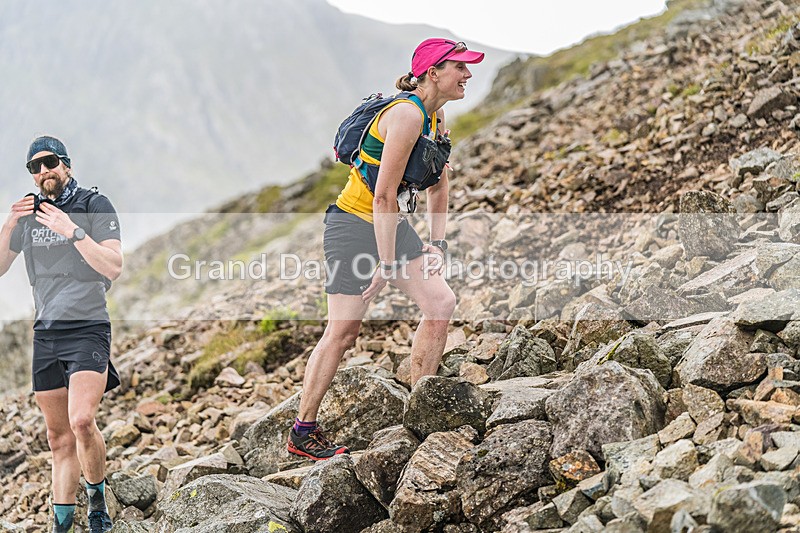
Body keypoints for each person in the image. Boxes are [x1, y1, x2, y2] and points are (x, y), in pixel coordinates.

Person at [287, 38, 485, 460]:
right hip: (352, 226)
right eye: (459, 67)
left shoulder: (436, 116)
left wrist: (437, 243)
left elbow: (439, 184)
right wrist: (389, 263)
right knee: (343, 332)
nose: (468, 74)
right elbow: (382, 195)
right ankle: (302, 431)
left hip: (389, 223)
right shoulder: (407, 116)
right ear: (433, 73)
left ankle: (420, 409)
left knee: (441, 302)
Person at [0, 136, 123, 533]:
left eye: (50, 162)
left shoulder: (94, 205)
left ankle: (97, 501)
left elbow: (113, 265)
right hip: (46, 333)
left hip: (88, 327)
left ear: (66, 164)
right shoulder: (29, 215)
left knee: (82, 420)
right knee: (58, 438)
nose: (43, 171)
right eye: (34, 167)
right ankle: (62, 524)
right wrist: (9, 224)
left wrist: (73, 231)